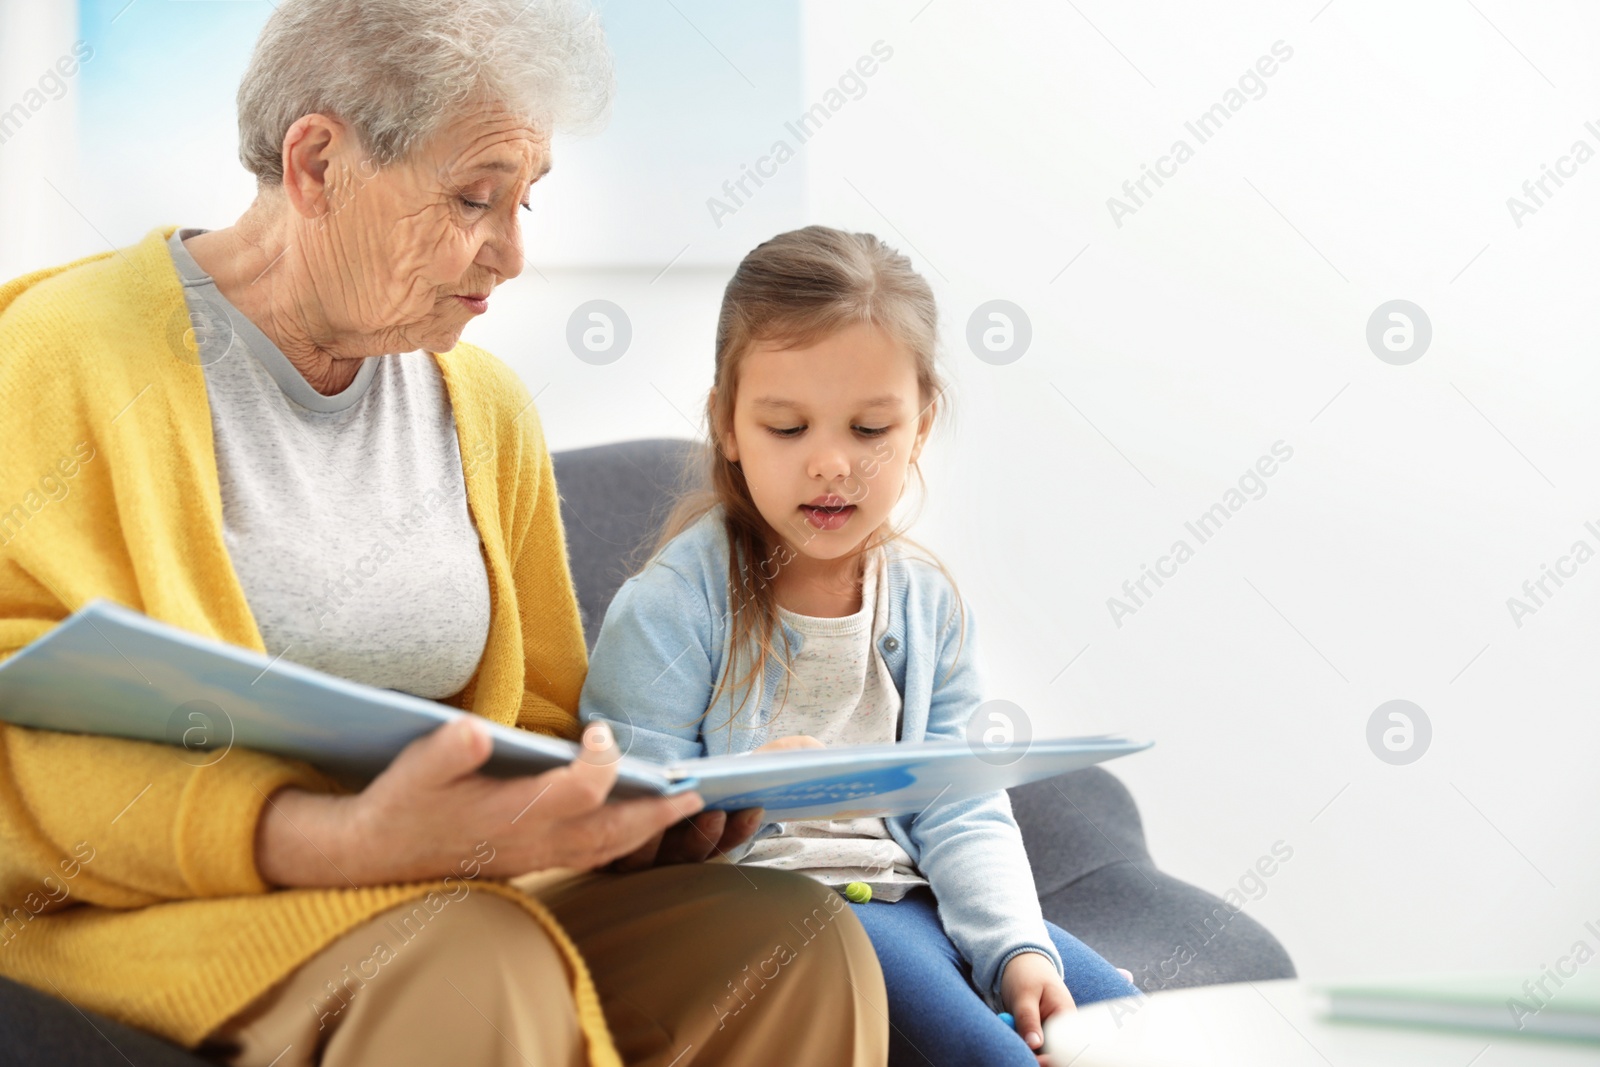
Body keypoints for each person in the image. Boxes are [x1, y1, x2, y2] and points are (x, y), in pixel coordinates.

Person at [0, 4, 887, 1065]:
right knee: (473, 952)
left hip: (453, 887)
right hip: (157, 909)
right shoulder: (63, 356)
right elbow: (25, 729)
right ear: (318, 161)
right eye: (475, 196)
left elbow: (543, 719)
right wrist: (339, 838)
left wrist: (630, 823)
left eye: (526, 199)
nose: (512, 251)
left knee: (793, 935)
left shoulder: (484, 405)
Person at [579, 225, 1142, 1066]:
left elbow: (962, 803)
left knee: (1134, 1029)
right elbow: (626, 841)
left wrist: (1018, 950)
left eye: (872, 429)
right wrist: (749, 793)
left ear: (920, 427)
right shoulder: (670, 607)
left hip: (912, 895)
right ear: (727, 425)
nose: (831, 464)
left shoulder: (927, 603)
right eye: (788, 427)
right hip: (788, 920)